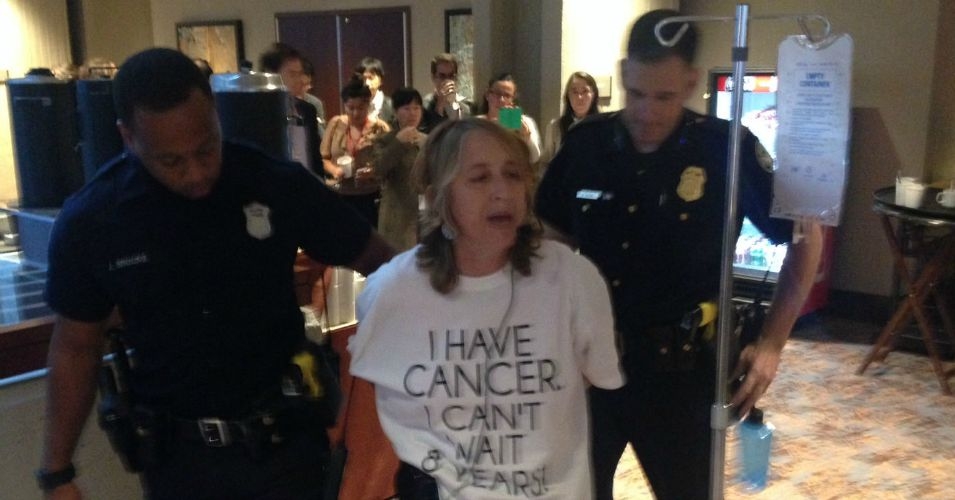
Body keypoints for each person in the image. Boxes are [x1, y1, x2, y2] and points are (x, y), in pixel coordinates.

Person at [36, 47, 395, 499]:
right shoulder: (95, 220)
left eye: (207, 148)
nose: (196, 174)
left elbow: (386, 265)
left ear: (215, 114)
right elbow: (75, 346)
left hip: (289, 449)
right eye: (171, 161)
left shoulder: (271, 183)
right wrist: (56, 472)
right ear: (128, 137)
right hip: (180, 463)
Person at [534, 9, 823, 500]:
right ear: (623, 74)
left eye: (664, 97)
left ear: (691, 82)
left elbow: (805, 236)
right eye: (637, 93)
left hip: (683, 374)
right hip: (588, 368)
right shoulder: (586, 144)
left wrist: (772, 343)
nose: (647, 111)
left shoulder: (725, 149)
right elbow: (550, 234)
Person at [349, 118, 625, 499]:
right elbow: (379, 386)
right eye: (479, 178)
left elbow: (596, 374)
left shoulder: (572, 278)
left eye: (512, 175)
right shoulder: (392, 291)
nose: (502, 191)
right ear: (439, 196)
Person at [321, 77, 391, 226]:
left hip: (369, 197)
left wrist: (373, 171)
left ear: (368, 105)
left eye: (360, 108)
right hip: (339, 193)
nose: (355, 113)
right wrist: (334, 170)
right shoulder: (336, 124)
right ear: (344, 105)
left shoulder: (380, 128)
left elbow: (389, 163)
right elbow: (323, 157)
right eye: (350, 108)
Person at [370, 87, 428, 251]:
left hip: (424, 216)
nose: (412, 113)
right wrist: (399, 143)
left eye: (416, 108)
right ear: (396, 112)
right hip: (397, 216)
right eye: (406, 108)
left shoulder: (428, 140)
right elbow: (378, 170)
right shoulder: (385, 140)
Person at [259, 42, 322, 175]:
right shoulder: (258, 114)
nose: (300, 80)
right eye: (293, 74)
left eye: (300, 74)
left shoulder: (308, 110)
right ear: (271, 75)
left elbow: (315, 161)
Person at [477, 73, 542, 164]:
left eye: (507, 95)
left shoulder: (524, 121)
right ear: (488, 95)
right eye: (497, 94)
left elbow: (535, 157)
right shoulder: (477, 123)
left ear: (513, 99)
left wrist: (526, 136)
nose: (501, 100)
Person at [541, 71, 600, 168]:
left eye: (585, 91)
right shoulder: (555, 127)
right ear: (568, 96)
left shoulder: (604, 126)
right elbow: (544, 163)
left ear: (593, 94)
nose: (579, 97)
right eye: (575, 92)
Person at [421, 53, 472, 132]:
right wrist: (440, 105)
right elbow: (429, 134)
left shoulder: (464, 109)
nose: (447, 80)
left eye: (451, 76)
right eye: (442, 76)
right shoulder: (424, 106)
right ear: (433, 78)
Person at [354, 57, 394, 124]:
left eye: (371, 78)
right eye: (363, 79)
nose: (367, 83)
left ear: (381, 80)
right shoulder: (353, 105)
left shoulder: (392, 106)